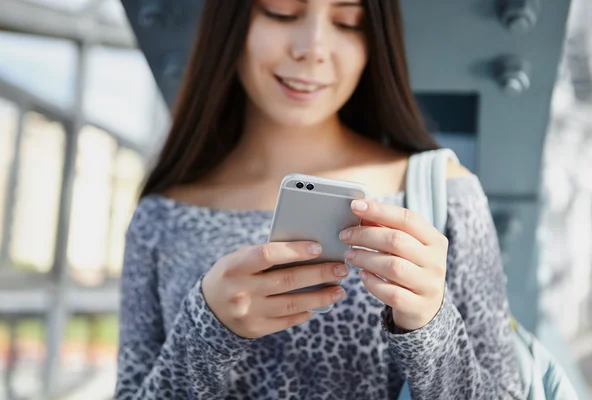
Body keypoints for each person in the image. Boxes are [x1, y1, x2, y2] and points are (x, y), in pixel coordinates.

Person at [115, 1, 524, 399]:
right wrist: (207, 329)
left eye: (347, 21)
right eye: (282, 12)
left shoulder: (445, 191)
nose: (312, 48)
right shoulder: (162, 216)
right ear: (231, 21)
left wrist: (429, 326)